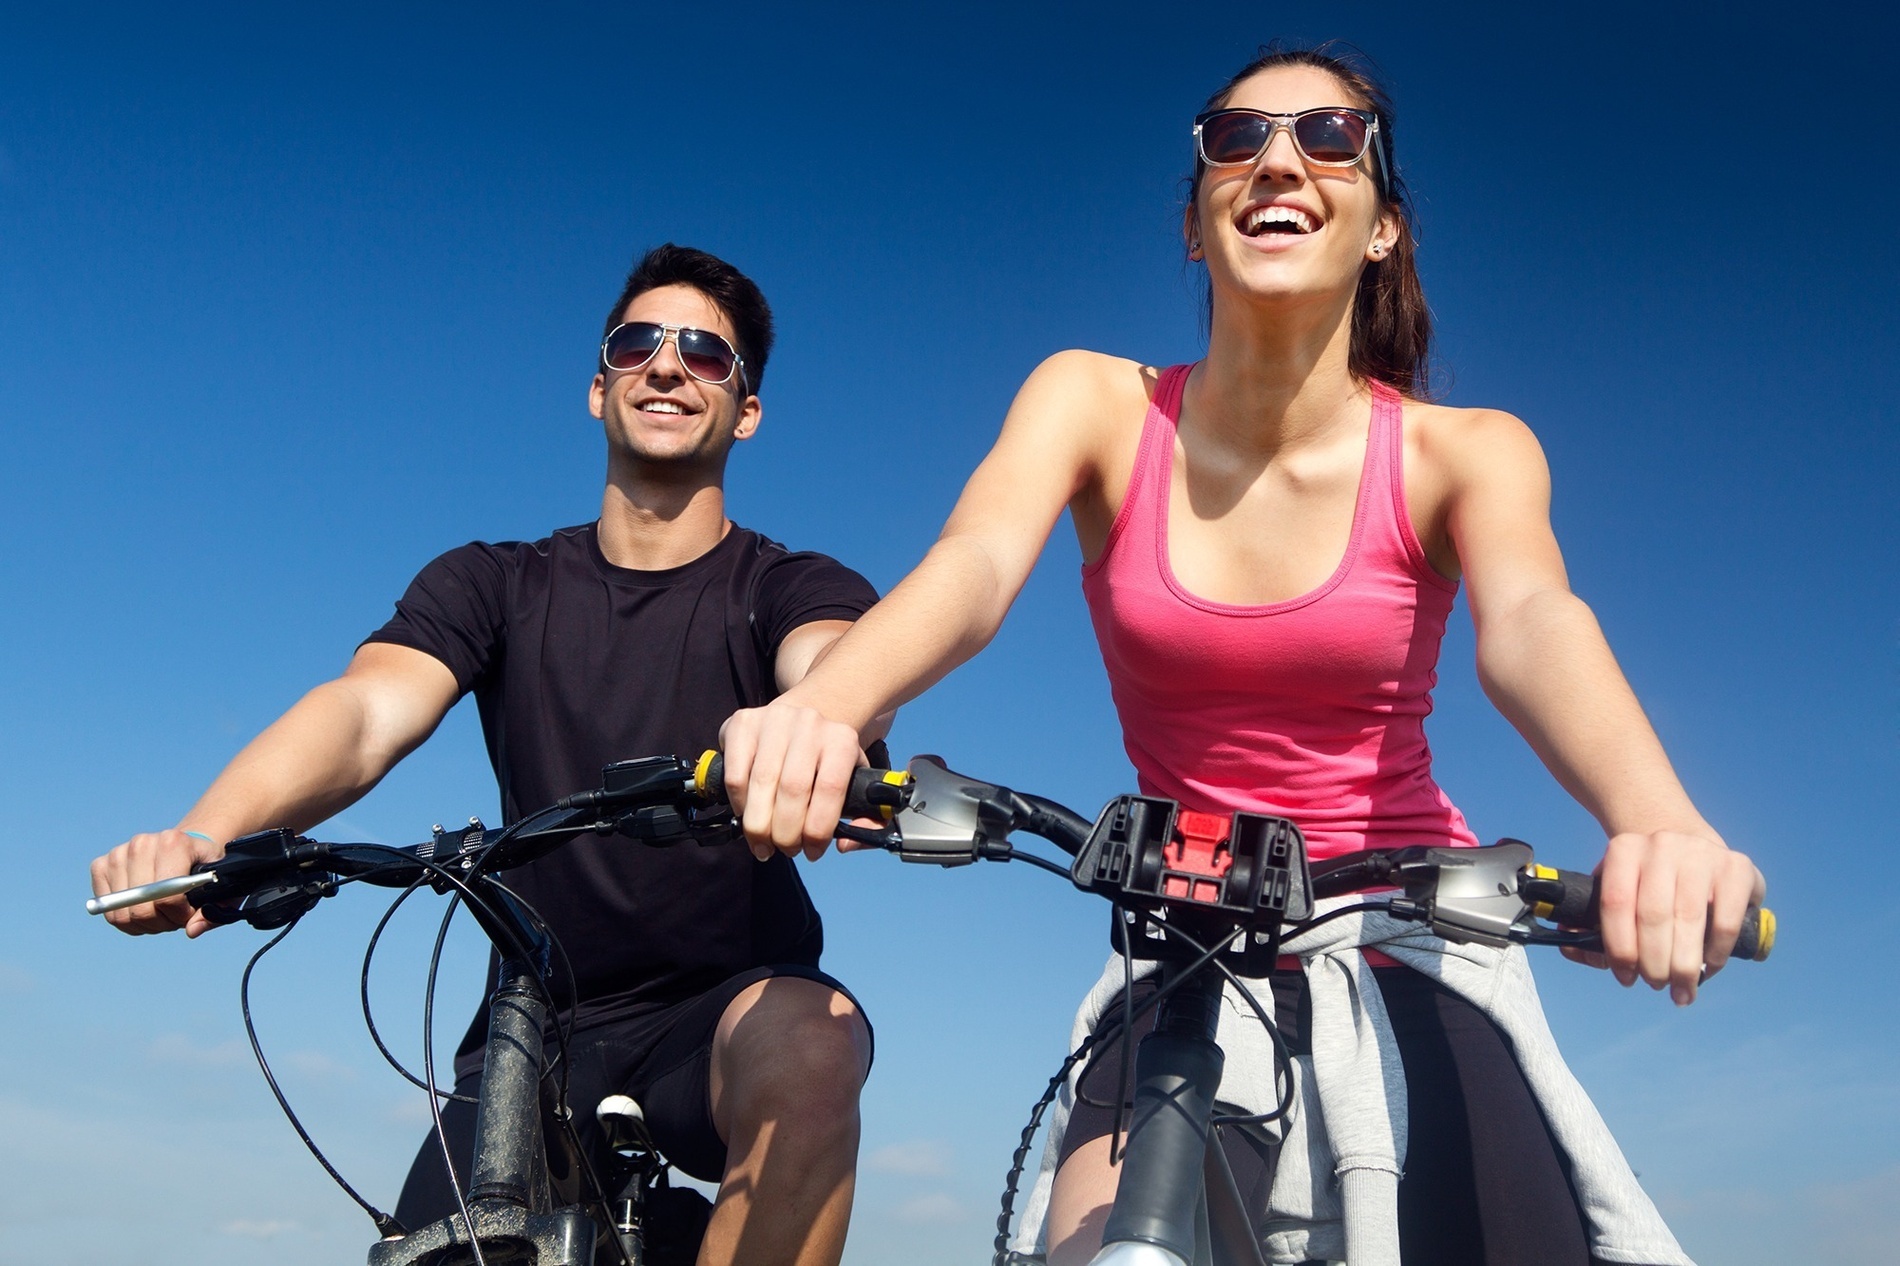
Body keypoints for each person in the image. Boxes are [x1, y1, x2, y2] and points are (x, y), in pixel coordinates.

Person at [718, 44, 1764, 1266]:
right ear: (1195, 221)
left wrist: (1659, 821)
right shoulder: (1093, 401)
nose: (1279, 157)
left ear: (1382, 227)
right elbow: (974, 565)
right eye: (1236, 136)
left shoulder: (1466, 449)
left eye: (1330, 138)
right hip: (1185, 926)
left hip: (1407, 920)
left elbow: (1532, 624)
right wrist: (830, 707)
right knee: (1090, 1246)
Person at [89, 244, 886, 1266]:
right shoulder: (495, 582)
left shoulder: (787, 584)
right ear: (599, 388)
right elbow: (368, 711)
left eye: (707, 355)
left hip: (727, 1010)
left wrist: (822, 722)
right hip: (535, 1018)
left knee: (815, 1046)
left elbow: (834, 672)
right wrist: (209, 833)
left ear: (747, 411)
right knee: (437, 1250)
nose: (668, 366)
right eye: (637, 343)